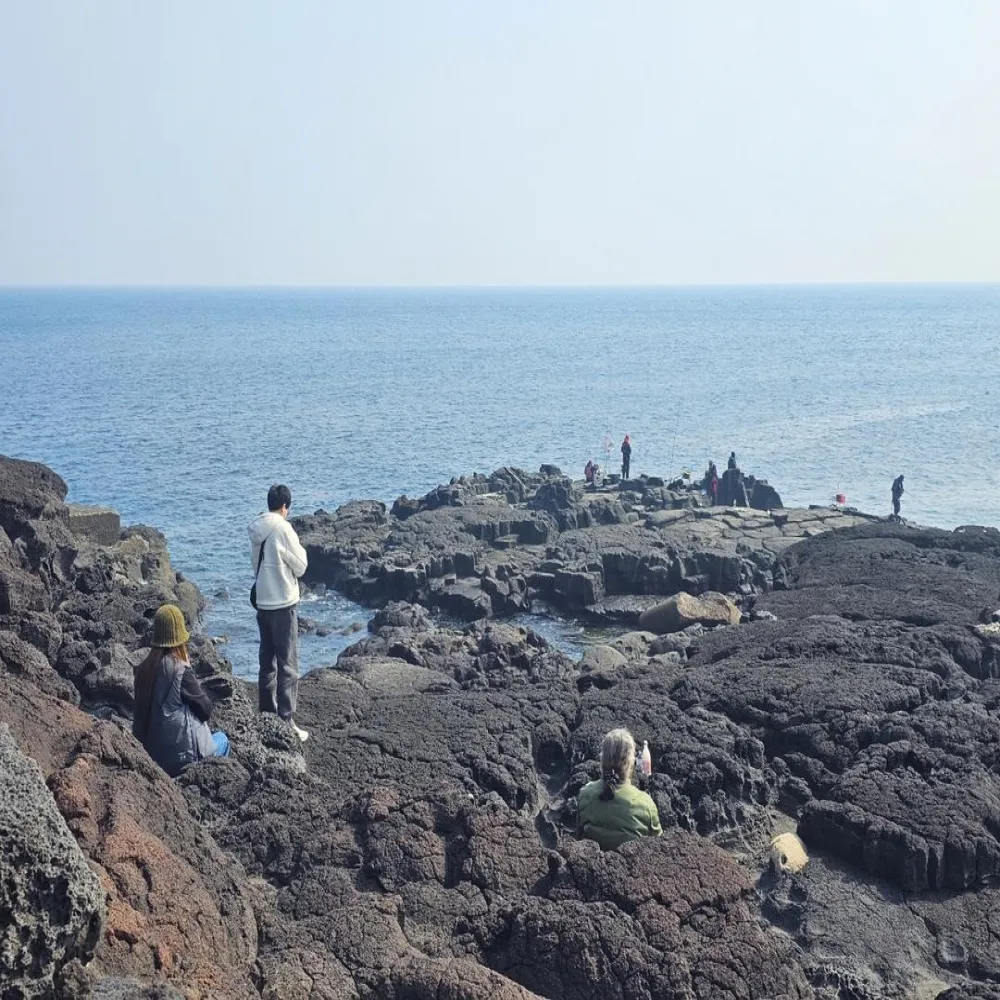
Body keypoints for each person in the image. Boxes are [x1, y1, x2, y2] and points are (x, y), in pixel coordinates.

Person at [133, 604, 229, 777]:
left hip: (154, 758)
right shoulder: (180, 670)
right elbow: (205, 710)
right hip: (183, 760)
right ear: (180, 637)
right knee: (222, 739)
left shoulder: (143, 670)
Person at [249, 484, 309, 741]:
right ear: (285, 506)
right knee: (288, 664)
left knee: (267, 661)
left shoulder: (257, 529)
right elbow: (302, 565)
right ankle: (286, 720)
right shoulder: (283, 529)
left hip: (263, 602)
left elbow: (255, 565)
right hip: (283, 603)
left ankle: (266, 714)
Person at [577, 728, 662, 851]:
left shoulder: (585, 795)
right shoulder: (646, 805)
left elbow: (578, 837)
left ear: (602, 759)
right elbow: (659, 849)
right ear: (631, 763)